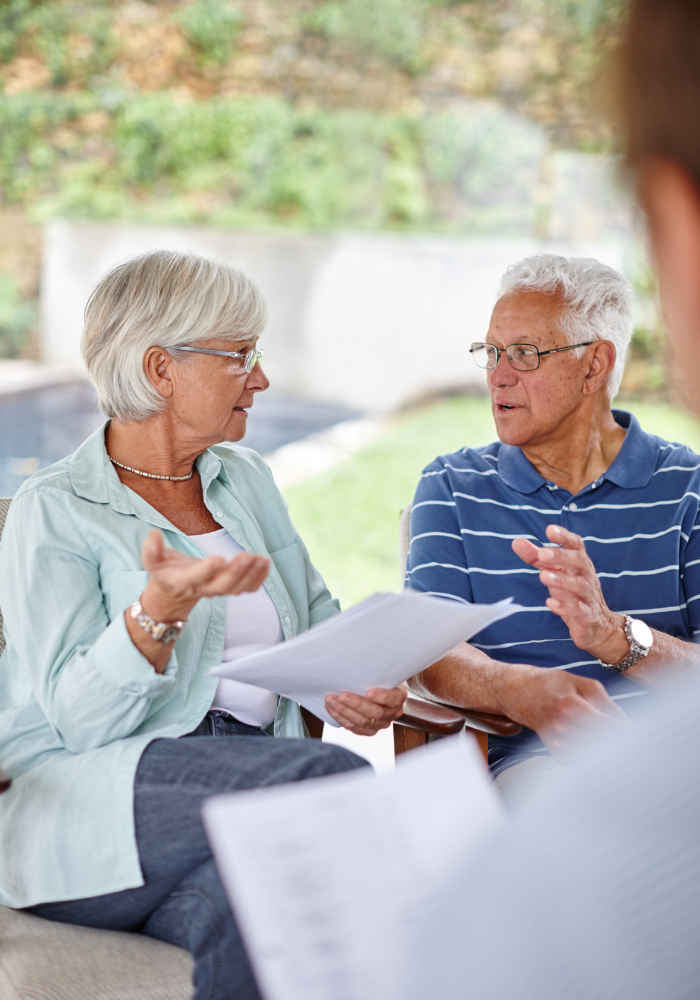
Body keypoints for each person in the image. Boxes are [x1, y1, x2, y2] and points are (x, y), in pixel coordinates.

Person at [0, 249, 406, 1000]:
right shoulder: (53, 510)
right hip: (97, 793)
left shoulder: (246, 481)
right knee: (336, 782)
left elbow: (314, 618)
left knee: (256, 911)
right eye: (241, 355)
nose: (262, 377)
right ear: (160, 369)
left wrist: (344, 687)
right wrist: (154, 616)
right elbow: (75, 720)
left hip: (246, 776)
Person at [406, 252, 700, 790]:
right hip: (541, 770)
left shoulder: (689, 488)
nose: (497, 376)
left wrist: (615, 636)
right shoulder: (451, 486)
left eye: (523, 354)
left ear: (594, 365)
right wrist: (515, 687)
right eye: (492, 352)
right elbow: (427, 650)